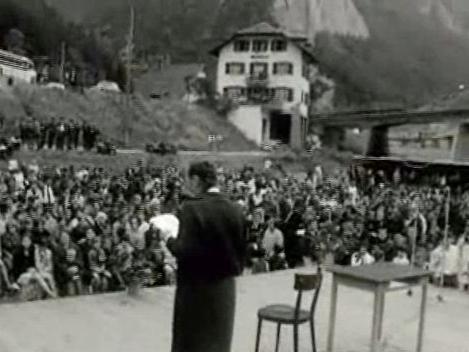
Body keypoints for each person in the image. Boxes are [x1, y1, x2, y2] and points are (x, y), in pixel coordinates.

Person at [166, 161, 245, 352]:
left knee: (192, 342)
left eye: (189, 179)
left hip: (195, 290)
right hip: (224, 289)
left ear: (196, 179)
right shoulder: (235, 208)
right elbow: (241, 252)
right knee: (219, 340)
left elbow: (185, 251)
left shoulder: (191, 209)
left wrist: (168, 240)